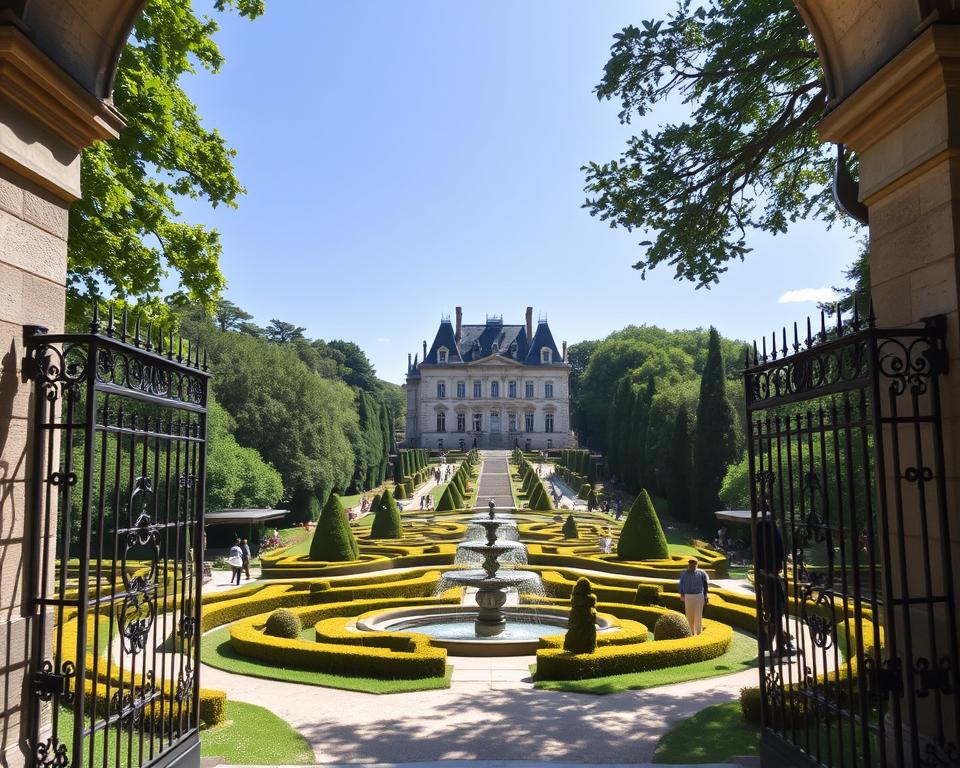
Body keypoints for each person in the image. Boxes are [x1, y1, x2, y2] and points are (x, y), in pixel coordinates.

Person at [756, 511, 795, 658]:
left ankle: (780, 643)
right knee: (775, 611)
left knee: (774, 612)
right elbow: (779, 551)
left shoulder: (761, 529)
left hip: (767, 574)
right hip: (769, 574)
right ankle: (779, 644)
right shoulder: (769, 530)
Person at [678, 557, 709, 635]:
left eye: (693, 563)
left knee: (698, 615)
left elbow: (706, 585)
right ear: (688, 564)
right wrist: (681, 594)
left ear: (696, 564)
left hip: (699, 596)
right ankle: (690, 632)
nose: (692, 565)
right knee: (689, 615)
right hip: (688, 596)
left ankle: (698, 633)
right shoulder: (684, 574)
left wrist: (705, 596)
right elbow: (681, 585)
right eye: (690, 563)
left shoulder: (702, 573)